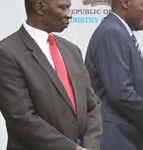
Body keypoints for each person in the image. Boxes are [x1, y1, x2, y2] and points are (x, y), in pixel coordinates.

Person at [0, 0, 102, 149]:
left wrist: (90, 145)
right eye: (63, 8)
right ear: (40, 7)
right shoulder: (7, 52)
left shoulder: (72, 50)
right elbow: (21, 117)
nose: (70, 15)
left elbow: (92, 106)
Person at [84, 0, 143, 149]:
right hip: (118, 139)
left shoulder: (119, 32)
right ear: (125, 2)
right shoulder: (112, 32)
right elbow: (121, 93)